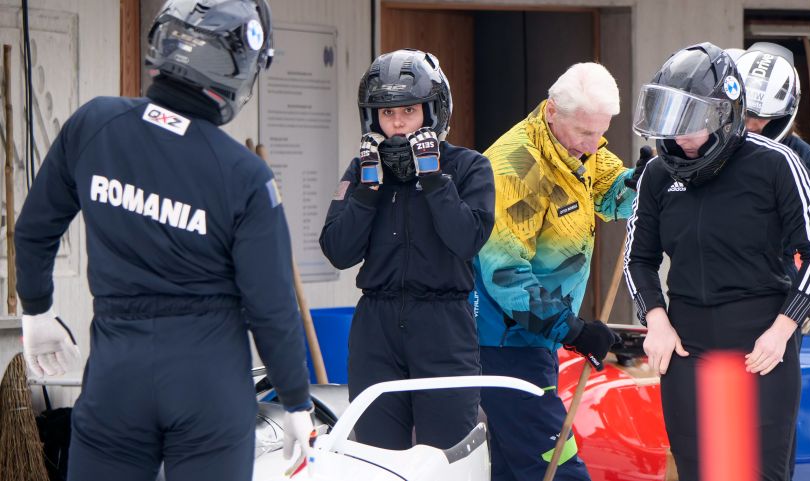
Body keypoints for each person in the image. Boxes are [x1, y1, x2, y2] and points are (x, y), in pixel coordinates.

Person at [14, 1, 314, 480]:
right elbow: (271, 306)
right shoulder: (245, 176)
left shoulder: (95, 126)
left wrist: (36, 309)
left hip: (117, 373)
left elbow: (33, 228)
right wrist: (296, 399)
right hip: (208, 379)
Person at [625, 42, 810, 481]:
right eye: (670, 119)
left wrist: (783, 330)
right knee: (699, 470)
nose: (678, 135)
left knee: (760, 472)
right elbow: (637, 258)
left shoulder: (777, 163)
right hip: (686, 342)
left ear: (721, 113)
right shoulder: (659, 175)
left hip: (762, 341)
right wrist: (655, 320)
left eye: (690, 121)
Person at [473, 62, 647, 481]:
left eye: (600, 133)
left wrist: (642, 182)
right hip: (505, 343)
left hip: (537, 339)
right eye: (585, 133)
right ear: (552, 111)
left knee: (518, 471)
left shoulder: (574, 147)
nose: (592, 145)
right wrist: (572, 330)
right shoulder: (519, 169)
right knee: (558, 469)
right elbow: (505, 274)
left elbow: (610, 195)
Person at [318, 48, 494, 451]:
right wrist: (368, 190)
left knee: (445, 458)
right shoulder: (360, 170)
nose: (397, 124)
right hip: (375, 329)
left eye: (409, 111)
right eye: (386, 113)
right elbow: (338, 251)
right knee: (376, 456)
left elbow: (467, 239)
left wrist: (434, 179)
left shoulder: (469, 168)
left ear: (433, 113)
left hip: (443, 328)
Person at [733, 42, 810, 269]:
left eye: (763, 117)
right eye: (746, 114)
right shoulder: (719, 147)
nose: (752, 125)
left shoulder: (803, 156)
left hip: (783, 281)